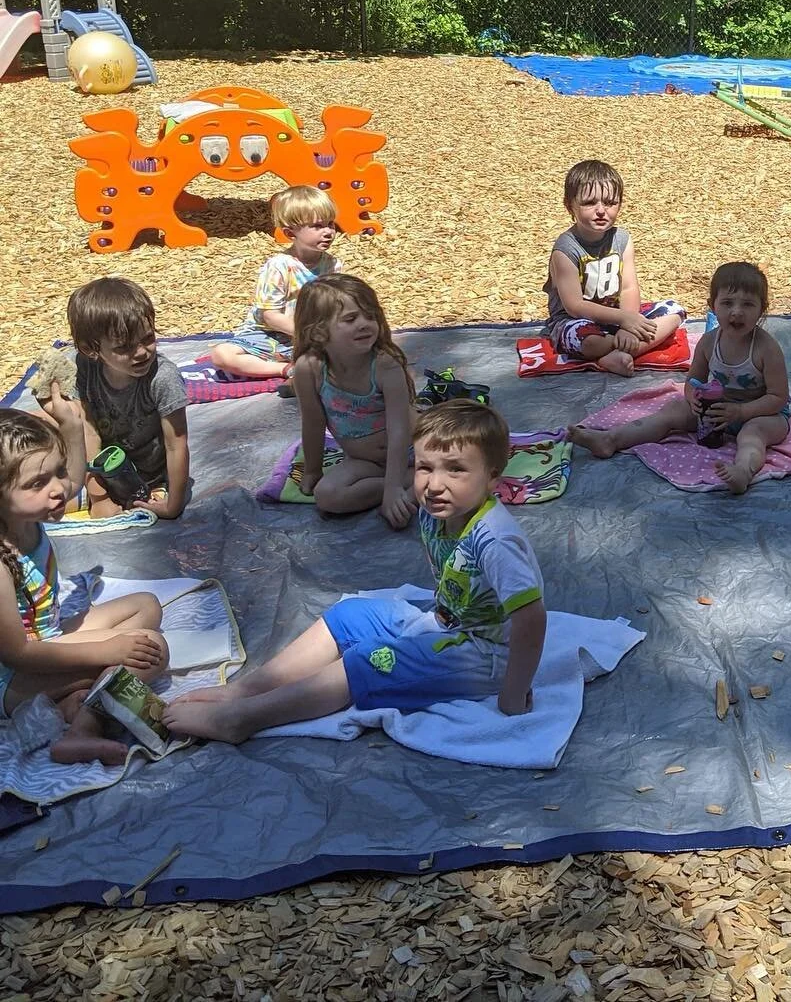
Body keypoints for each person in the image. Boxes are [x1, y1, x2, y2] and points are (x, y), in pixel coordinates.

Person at [163, 400, 546, 742]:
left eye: (456, 470)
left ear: (493, 477)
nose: (434, 485)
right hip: (443, 623)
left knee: (369, 662)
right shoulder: (437, 507)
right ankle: (245, 691)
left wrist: (513, 691)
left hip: (484, 656)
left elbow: (530, 619)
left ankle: (243, 718)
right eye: (425, 467)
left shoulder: (495, 541)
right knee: (350, 615)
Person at [0, 411, 169, 765]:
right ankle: (84, 729)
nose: (59, 489)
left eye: (58, 472)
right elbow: (17, 654)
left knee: (146, 606)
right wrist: (107, 650)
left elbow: (76, 480)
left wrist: (72, 428)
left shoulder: (30, 512)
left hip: (49, 637)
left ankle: (76, 700)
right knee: (152, 648)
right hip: (14, 677)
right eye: (38, 483)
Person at [569, 261, 789, 494]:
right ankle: (611, 440)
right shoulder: (709, 342)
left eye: (747, 304)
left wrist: (742, 412)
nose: (736, 311)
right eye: (727, 303)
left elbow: (778, 397)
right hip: (719, 411)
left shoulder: (766, 348)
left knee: (752, 434)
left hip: (763, 414)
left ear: (762, 309)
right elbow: (693, 381)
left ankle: (743, 471)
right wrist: (693, 399)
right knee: (673, 410)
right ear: (712, 306)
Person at [39, 277, 189, 520]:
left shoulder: (162, 378)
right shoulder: (85, 365)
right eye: (123, 347)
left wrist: (174, 505)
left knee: (43, 506)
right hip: (99, 468)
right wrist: (99, 494)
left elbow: (176, 443)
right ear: (91, 350)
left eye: (148, 338)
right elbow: (89, 430)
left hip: (142, 478)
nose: (141, 352)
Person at [290, 273, 416, 528]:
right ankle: (417, 483)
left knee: (464, 464)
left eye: (370, 316)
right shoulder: (309, 368)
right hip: (365, 463)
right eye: (351, 318)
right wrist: (313, 470)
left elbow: (399, 429)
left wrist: (392, 489)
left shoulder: (384, 364)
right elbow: (313, 424)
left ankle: (419, 479)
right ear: (318, 332)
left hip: (416, 450)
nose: (365, 323)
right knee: (327, 496)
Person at [543, 159, 685, 376]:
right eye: (590, 203)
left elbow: (628, 287)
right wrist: (624, 321)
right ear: (569, 205)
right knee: (586, 340)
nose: (601, 211)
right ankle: (618, 351)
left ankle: (619, 352)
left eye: (610, 203)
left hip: (619, 317)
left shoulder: (622, 239)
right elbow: (574, 306)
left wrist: (628, 323)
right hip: (576, 322)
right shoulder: (565, 249)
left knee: (674, 310)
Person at [209, 185, 342, 380]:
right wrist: (307, 334)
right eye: (317, 226)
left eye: (330, 224)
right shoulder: (279, 266)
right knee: (222, 355)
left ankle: (306, 368)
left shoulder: (333, 264)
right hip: (268, 335)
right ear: (290, 234)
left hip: (311, 335)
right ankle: (285, 370)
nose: (328, 232)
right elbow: (270, 316)